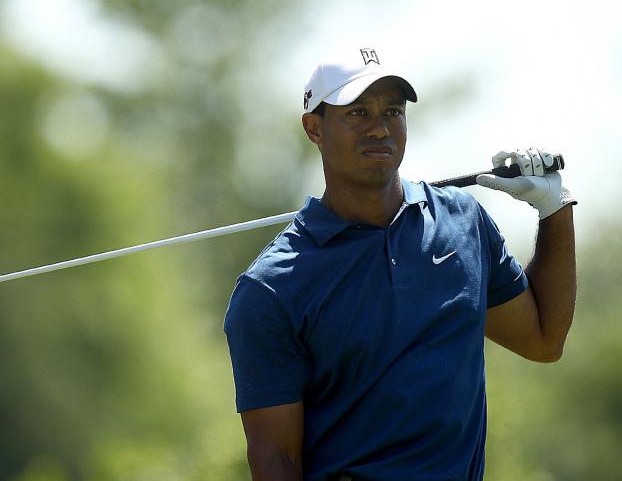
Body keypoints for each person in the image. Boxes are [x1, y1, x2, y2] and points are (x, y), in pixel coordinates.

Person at [223, 45, 577, 481]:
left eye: (392, 111)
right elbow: (276, 458)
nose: (379, 128)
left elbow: (544, 341)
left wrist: (555, 208)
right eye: (356, 113)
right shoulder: (272, 289)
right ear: (314, 128)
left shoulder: (462, 223)